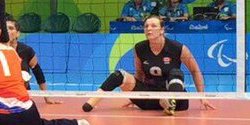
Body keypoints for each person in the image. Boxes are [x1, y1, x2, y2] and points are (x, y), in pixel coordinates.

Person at [83, 15, 217, 115]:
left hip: (177, 100)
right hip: (148, 97)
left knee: (176, 72)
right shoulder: (140, 48)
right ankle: (91, 103)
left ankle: (169, 102)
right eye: (146, 26)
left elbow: (195, 71)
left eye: (153, 26)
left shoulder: (177, 48)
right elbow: (139, 74)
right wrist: (134, 96)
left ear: (162, 30)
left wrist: (202, 97)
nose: (149, 29)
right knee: (119, 74)